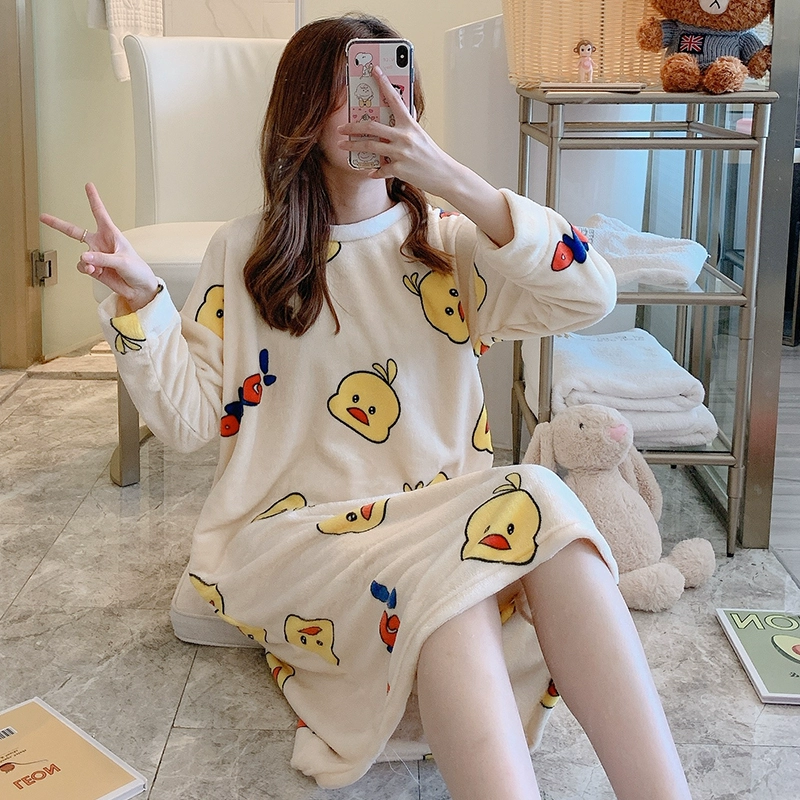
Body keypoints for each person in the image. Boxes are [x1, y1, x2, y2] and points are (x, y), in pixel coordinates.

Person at [41, 14, 692, 800]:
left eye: (391, 83)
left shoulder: (454, 247)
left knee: (507, 539)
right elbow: (185, 424)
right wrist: (142, 303)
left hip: (439, 532)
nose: (371, 102)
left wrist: (451, 176)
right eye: (349, 86)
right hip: (294, 538)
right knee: (496, 533)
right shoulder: (245, 253)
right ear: (302, 114)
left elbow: (591, 290)